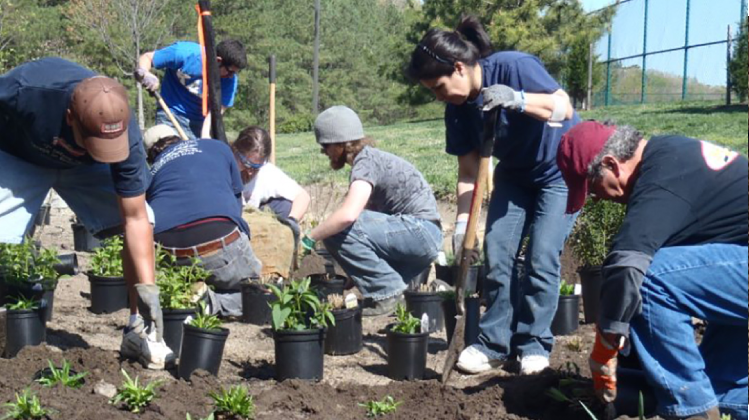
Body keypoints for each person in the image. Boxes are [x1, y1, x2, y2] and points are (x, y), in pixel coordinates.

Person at [406, 15, 580, 375]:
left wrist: (517, 100)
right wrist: (461, 226)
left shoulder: (514, 67)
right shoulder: (457, 111)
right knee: (498, 251)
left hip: (560, 171)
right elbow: (469, 175)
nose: (438, 97)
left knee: (541, 256)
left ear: (459, 68)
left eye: (438, 87)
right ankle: (494, 343)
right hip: (515, 175)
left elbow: (565, 108)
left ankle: (534, 345)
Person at [556, 121, 748, 420]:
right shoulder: (668, 157)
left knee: (650, 280)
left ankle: (691, 413)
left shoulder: (660, 178)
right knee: (718, 388)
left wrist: (604, 349)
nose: (595, 197)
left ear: (610, 164)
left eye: (592, 187)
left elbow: (627, 268)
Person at [0, 57, 173, 369]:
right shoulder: (26, 90)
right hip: (19, 156)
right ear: (69, 116)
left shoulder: (124, 129)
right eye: (94, 140)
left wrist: (149, 291)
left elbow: (133, 218)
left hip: (86, 171)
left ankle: (137, 330)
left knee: (145, 217)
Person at [300, 106, 443, 316]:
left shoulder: (365, 163)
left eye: (326, 146)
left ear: (341, 144)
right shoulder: (371, 159)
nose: (325, 152)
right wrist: (356, 273)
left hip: (419, 232)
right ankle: (408, 291)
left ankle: (388, 293)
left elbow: (349, 215)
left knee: (336, 229)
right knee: (346, 228)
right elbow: (368, 233)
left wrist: (310, 237)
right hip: (423, 236)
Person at [143, 125, 262, 317]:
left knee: (177, 285)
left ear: (149, 156)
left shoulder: (150, 174)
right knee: (260, 294)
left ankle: (186, 296)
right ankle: (211, 303)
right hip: (221, 244)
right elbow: (236, 201)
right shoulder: (216, 147)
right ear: (179, 138)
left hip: (171, 252)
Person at [136, 39, 247, 139]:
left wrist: (205, 134)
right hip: (169, 113)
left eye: (236, 72)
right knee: (171, 154)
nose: (232, 76)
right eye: (230, 71)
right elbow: (147, 58)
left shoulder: (230, 80)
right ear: (218, 61)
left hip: (199, 123)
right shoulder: (184, 53)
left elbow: (217, 109)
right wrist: (145, 73)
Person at [231, 126, 311, 242]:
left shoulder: (266, 172)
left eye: (255, 167)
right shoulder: (223, 166)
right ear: (235, 151)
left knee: (285, 206)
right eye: (245, 163)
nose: (249, 171)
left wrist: (291, 222)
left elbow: (303, 196)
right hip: (228, 224)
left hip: (251, 224)